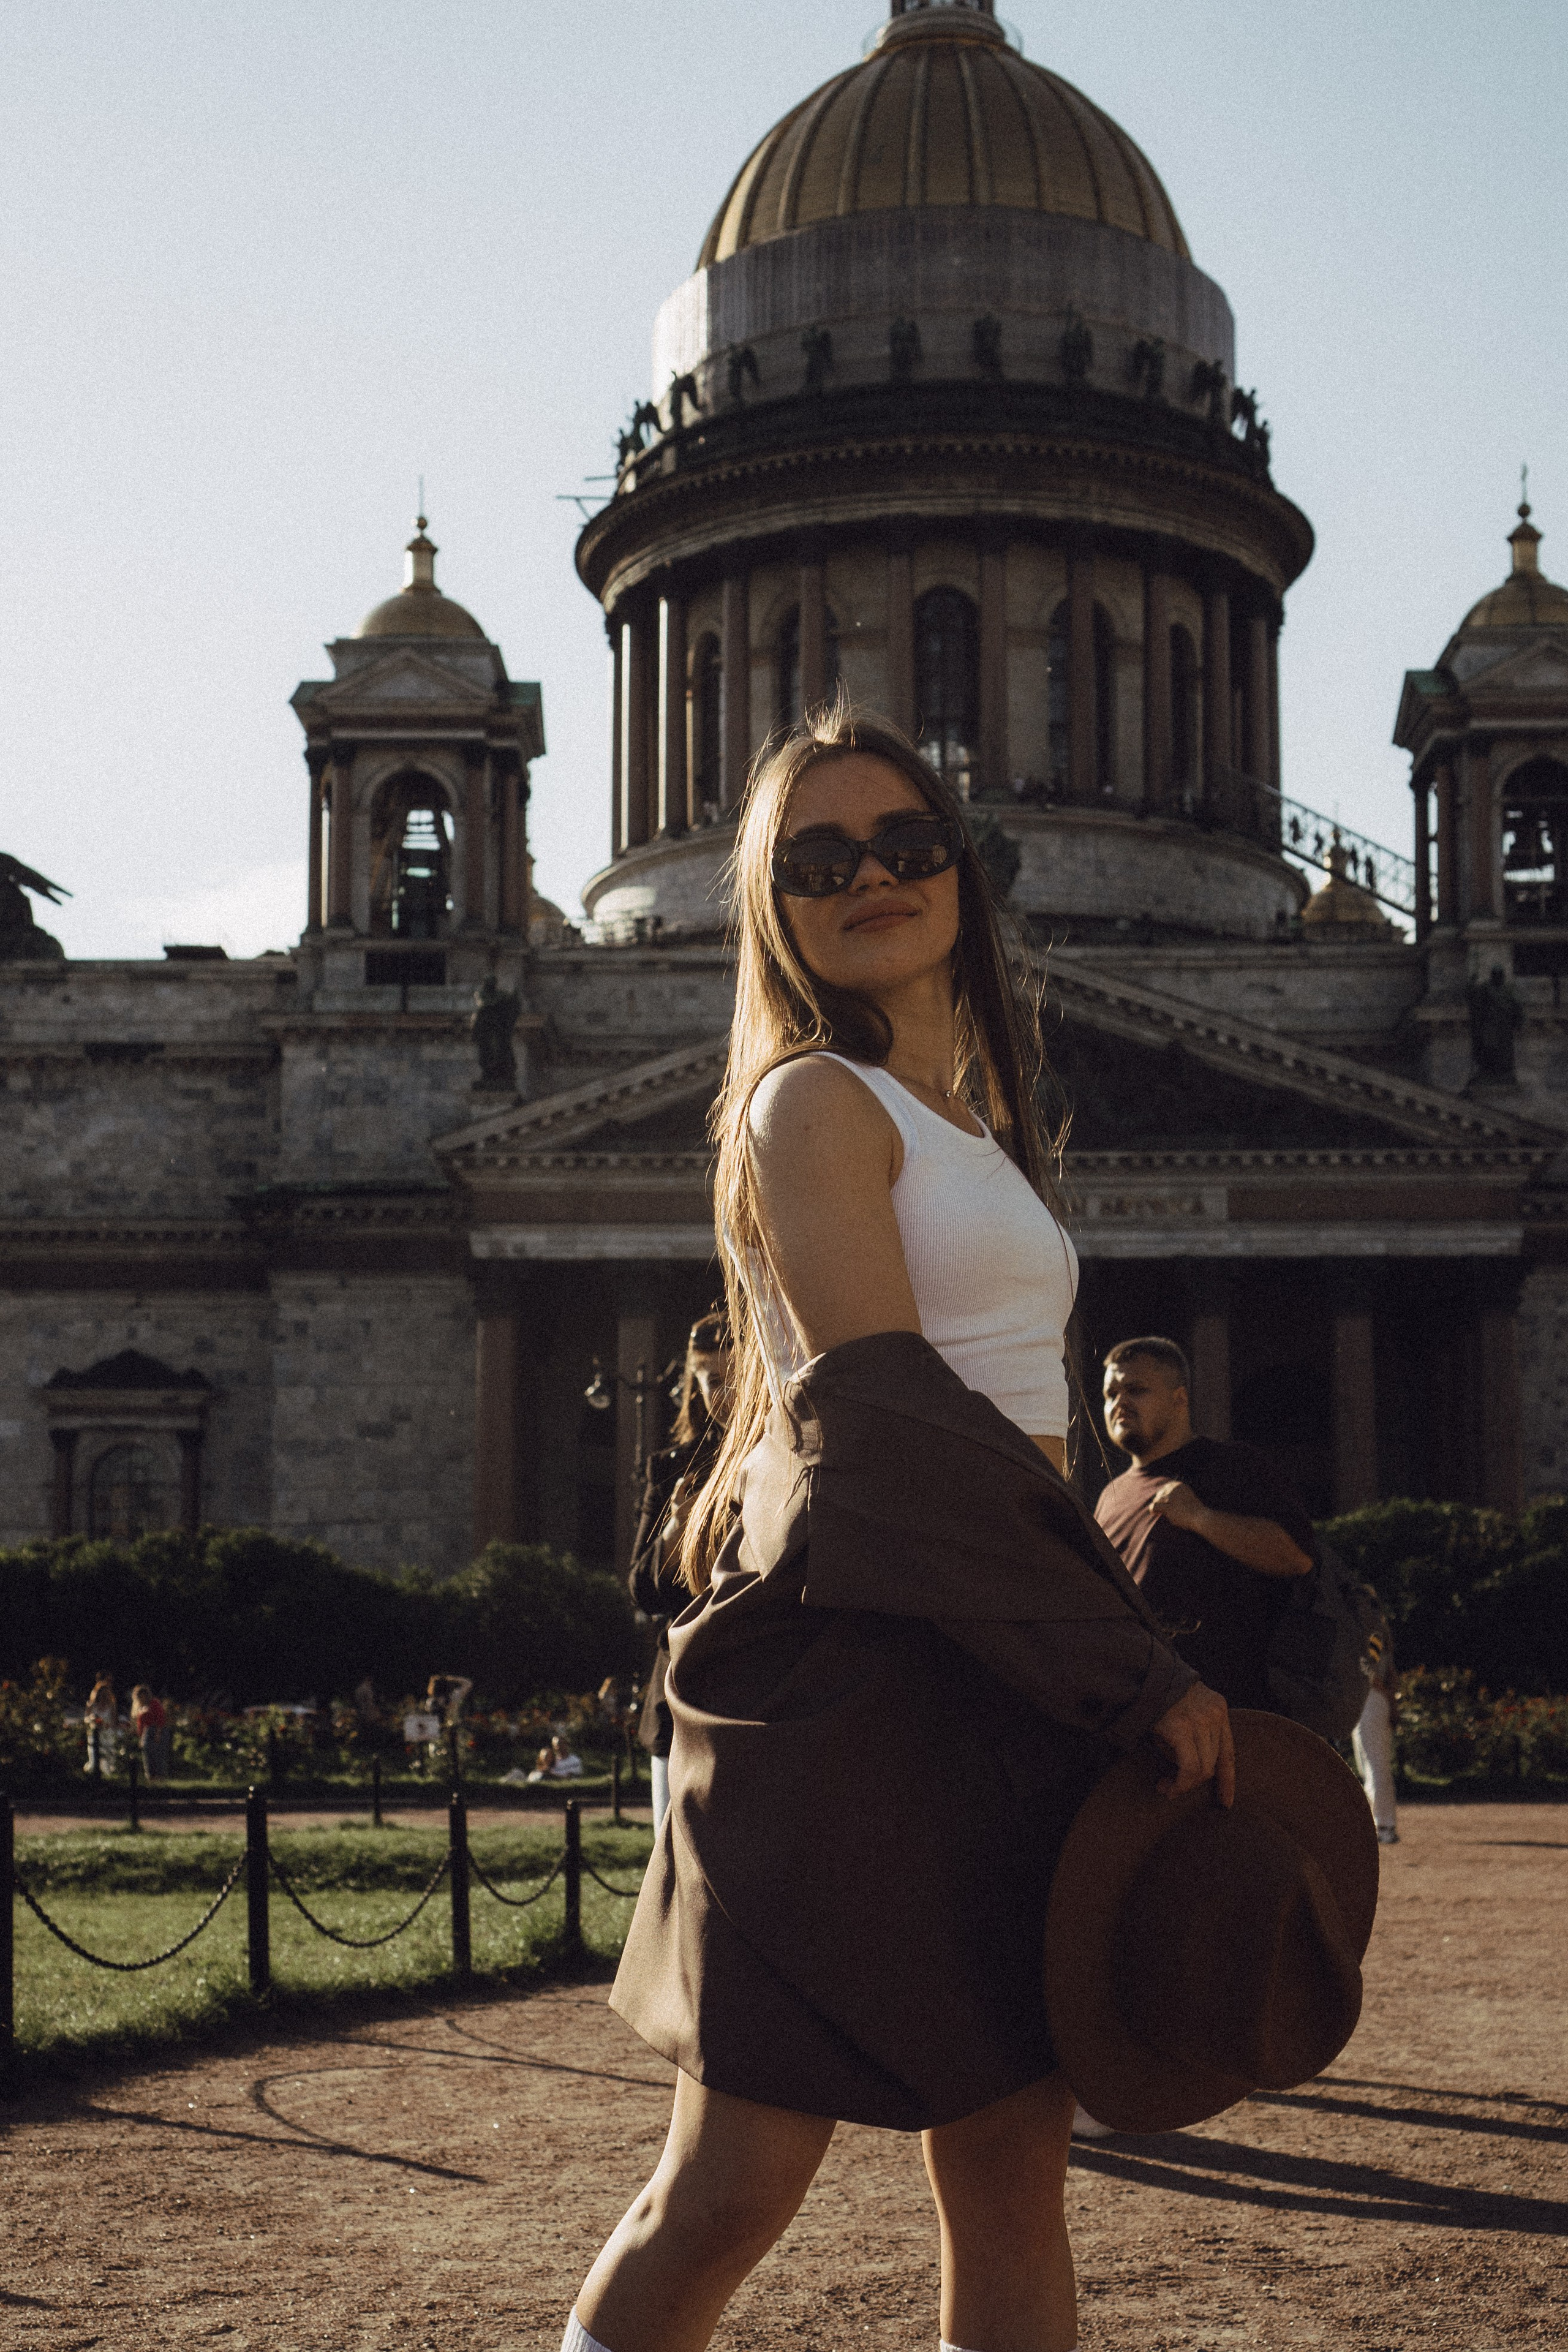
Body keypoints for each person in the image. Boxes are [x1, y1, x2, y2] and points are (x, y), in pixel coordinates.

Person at [559, 708, 1231, 2352]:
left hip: (996, 1670)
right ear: (772, 907)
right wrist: (1126, 1665)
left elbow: (1008, 1429)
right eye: (819, 858)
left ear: (965, 872)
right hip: (856, 1678)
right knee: (731, 2186)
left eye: (908, 844)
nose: (873, 877)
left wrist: (1081, 1662)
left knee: (1010, 2167)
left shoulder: (970, 1118)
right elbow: (890, 1428)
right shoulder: (808, 1107)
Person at [1094, 1336, 1316, 1713]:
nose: (1120, 1403)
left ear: (1180, 1400)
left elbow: (1296, 1558)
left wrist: (1201, 1518)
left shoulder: (1232, 1467)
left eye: (1136, 1390)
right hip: (1142, 1717)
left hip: (1235, 1720)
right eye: (1111, 1393)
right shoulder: (1110, 1497)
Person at [628, 1311, 731, 1833]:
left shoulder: (792, 1455)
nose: (723, 1391)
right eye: (711, 1379)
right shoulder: (674, 1466)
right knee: (671, 1876)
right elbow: (644, 1590)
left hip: (760, 1696)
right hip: (680, 1694)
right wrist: (674, 1533)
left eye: (735, 1376)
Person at [1353, 1608, 1399, 1844]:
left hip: (1368, 1699)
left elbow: (1366, 1671)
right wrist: (1392, 1704)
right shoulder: (1382, 1633)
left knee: (1373, 1764)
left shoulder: (1366, 1631)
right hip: (1378, 1701)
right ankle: (1384, 1823)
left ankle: (1383, 1824)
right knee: (1377, 1764)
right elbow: (1391, 1675)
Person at [129, 1684, 170, 1780]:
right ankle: (150, 1776)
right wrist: (141, 1737)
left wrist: (158, 1734)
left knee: (158, 1754)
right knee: (147, 1753)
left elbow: (160, 1718)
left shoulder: (154, 1703)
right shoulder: (141, 1707)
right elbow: (141, 1724)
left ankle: (160, 1776)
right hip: (146, 1733)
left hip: (157, 1730)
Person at [83, 1675, 117, 1777]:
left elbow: (114, 1722)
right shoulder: (91, 1705)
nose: (103, 1697)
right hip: (94, 1733)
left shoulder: (112, 1706)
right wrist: (92, 1719)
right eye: (101, 1694)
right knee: (94, 1758)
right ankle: (92, 1770)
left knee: (107, 1754)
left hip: (107, 1732)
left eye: (106, 1695)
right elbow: (85, 1720)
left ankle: (107, 1771)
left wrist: (107, 1725)